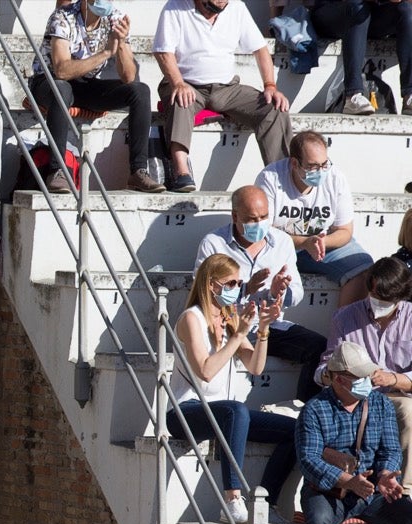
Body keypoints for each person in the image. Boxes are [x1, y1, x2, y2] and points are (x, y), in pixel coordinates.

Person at [170, 253, 292, 524]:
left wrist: (262, 330)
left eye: (239, 283)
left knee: (294, 431)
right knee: (236, 410)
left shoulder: (230, 316)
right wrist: (237, 336)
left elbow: (255, 366)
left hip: (223, 412)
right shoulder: (192, 318)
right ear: (211, 284)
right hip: (185, 410)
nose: (237, 289)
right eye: (231, 283)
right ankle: (232, 499)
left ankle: (267, 501)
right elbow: (205, 371)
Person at [297, 342, 412, 524]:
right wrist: (347, 481)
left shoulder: (380, 404)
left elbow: (391, 448)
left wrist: (386, 475)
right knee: (318, 523)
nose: (368, 383)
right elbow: (309, 460)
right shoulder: (314, 409)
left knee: (410, 518)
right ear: (339, 379)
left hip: (370, 491)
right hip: (327, 491)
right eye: (361, 378)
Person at [194, 184, 327, 405]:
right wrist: (246, 289)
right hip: (228, 326)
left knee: (319, 347)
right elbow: (202, 294)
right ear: (235, 216)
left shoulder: (281, 241)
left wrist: (279, 292)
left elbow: (297, 293)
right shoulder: (214, 244)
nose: (259, 224)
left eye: (264, 216)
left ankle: (305, 415)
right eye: (252, 219)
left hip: (268, 326)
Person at [151, 0, 291, 193]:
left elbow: (260, 49)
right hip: (187, 83)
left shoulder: (236, 7)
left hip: (226, 88)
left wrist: (270, 85)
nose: (222, 1)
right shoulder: (175, 7)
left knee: (274, 107)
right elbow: (163, 52)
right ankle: (181, 171)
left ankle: (283, 177)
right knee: (181, 99)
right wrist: (178, 83)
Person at [30, 0, 162, 193]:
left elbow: (129, 77)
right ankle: (56, 170)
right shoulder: (63, 16)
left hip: (85, 84)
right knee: (62, 88)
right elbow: (61, 71)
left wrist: (122, 42)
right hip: (48, 81)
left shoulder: (115, 17)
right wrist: (106, 53)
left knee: (139, 91)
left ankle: (138, 171)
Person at [257, 131, 374, 310]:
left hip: (321, 247)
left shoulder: (335, 178)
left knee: (364, 267)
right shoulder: (270, 178)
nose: (320, 171)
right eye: (312, 166)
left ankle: (344, 331)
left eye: (324, 164)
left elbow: (345, 230)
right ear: (294, 163)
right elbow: (264, 231)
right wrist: (304, 242)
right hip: (279, 247)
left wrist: (321, 242)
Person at [323, 257, 412, 461]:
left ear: (401, 297)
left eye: (387, 299)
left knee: (408, 412)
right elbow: (326, 364)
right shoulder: (344, 317)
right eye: (374, 294)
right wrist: (335, 376)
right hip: (353, 395)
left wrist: (394, 379)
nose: (379, 302)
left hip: (399, 395)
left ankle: (405, 489)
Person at [305, 0, 412, 115]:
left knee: (406, 10)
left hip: (369, 14)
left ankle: (409, 95)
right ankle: (352, 95)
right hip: (333, 12)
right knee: (357, 6)